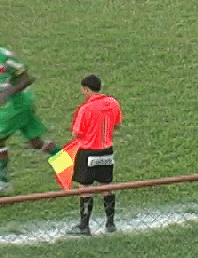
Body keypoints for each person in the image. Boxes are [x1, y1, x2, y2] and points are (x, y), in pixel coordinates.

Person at [66, 74, 122, 236]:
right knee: (106, 186)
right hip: (106, 150)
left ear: (86, 89)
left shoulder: (85, 109)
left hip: (88, 152)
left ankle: (84, 226)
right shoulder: (113, 103)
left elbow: (77, 133)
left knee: (85, 188)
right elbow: (116, 125)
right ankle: (110, 223)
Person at [0, 47, 60, 193]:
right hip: (16, 106)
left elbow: (27, 78)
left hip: (15, 105)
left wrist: (8, 92)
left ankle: (3, 183)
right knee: (37, 143)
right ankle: (71, 165)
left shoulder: (4, 57)